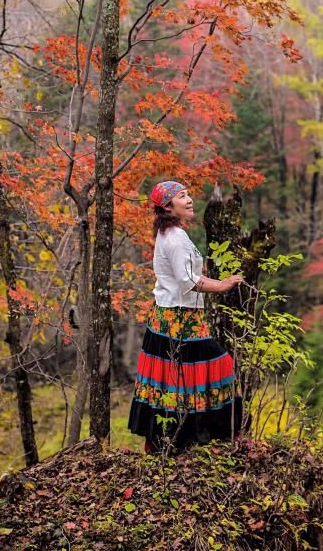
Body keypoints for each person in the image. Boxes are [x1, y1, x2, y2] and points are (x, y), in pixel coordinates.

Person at [127, 180, 245, 453]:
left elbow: (189, 277)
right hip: (178, 319)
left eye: (188, 194)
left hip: (174, 316)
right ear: (168, 207)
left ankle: (173, 442)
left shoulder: (172, 234)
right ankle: (217, 434)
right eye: (182, 196)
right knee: (218, 365)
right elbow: (188, 282)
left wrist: (218, 281)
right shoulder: (175, 238)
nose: (189, 199)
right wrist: (223, 285)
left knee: (175, 380)